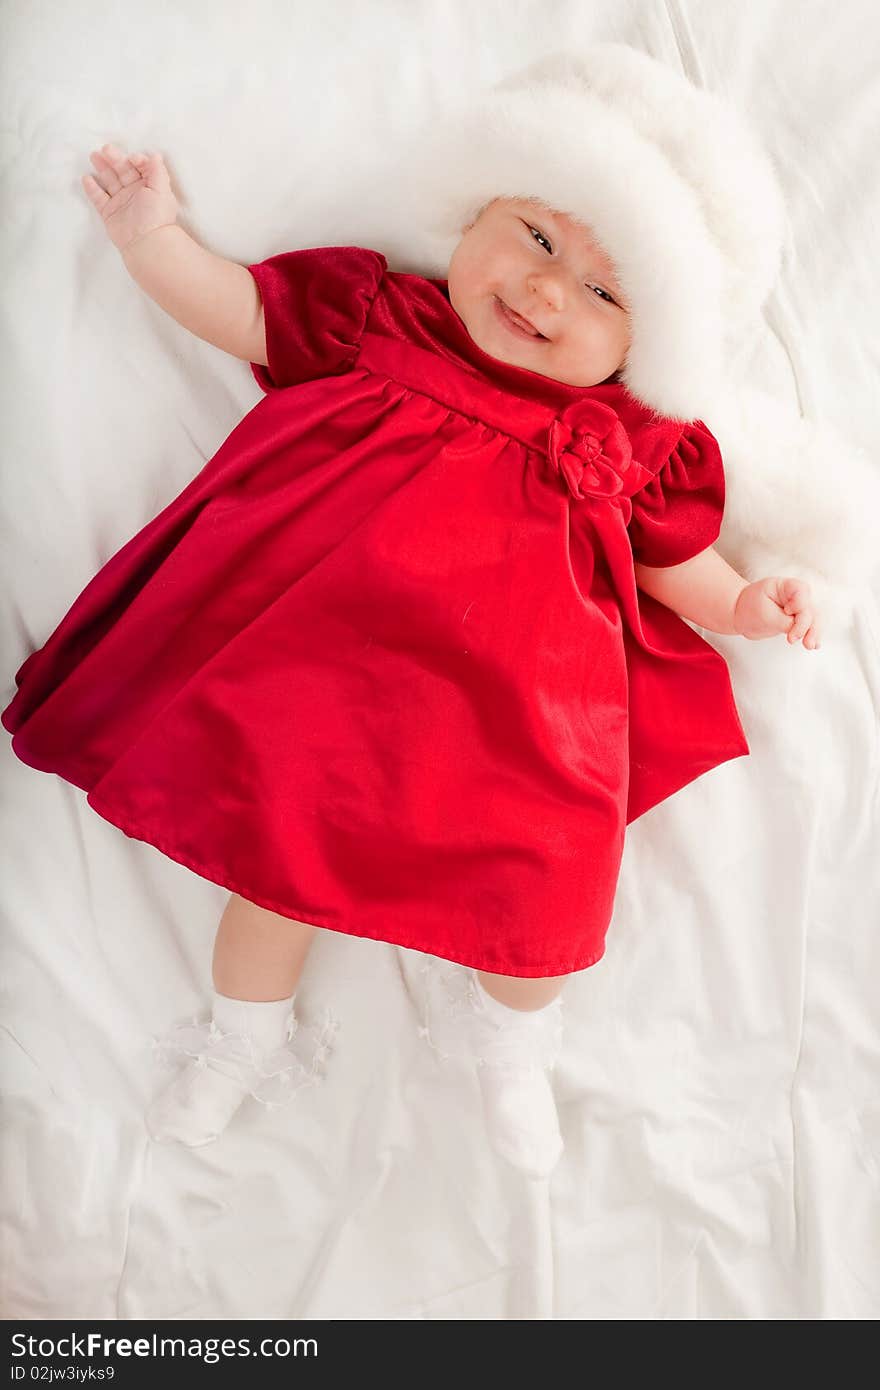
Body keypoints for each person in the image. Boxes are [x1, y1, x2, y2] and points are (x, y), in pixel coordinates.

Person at [1, 44, 821, 1180]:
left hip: (523, 721)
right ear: (474, 207)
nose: (544, 292)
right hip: (326, 677)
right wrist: (154, 238)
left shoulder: (634, 443)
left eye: (600, 291)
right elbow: (241, 314)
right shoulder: (378, 316)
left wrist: (751, 599)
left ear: (644, 345)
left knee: (548, 898)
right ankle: (243, 1036)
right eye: (536, 237)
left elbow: (678, 561)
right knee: (274, 864)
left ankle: (510, 1040)